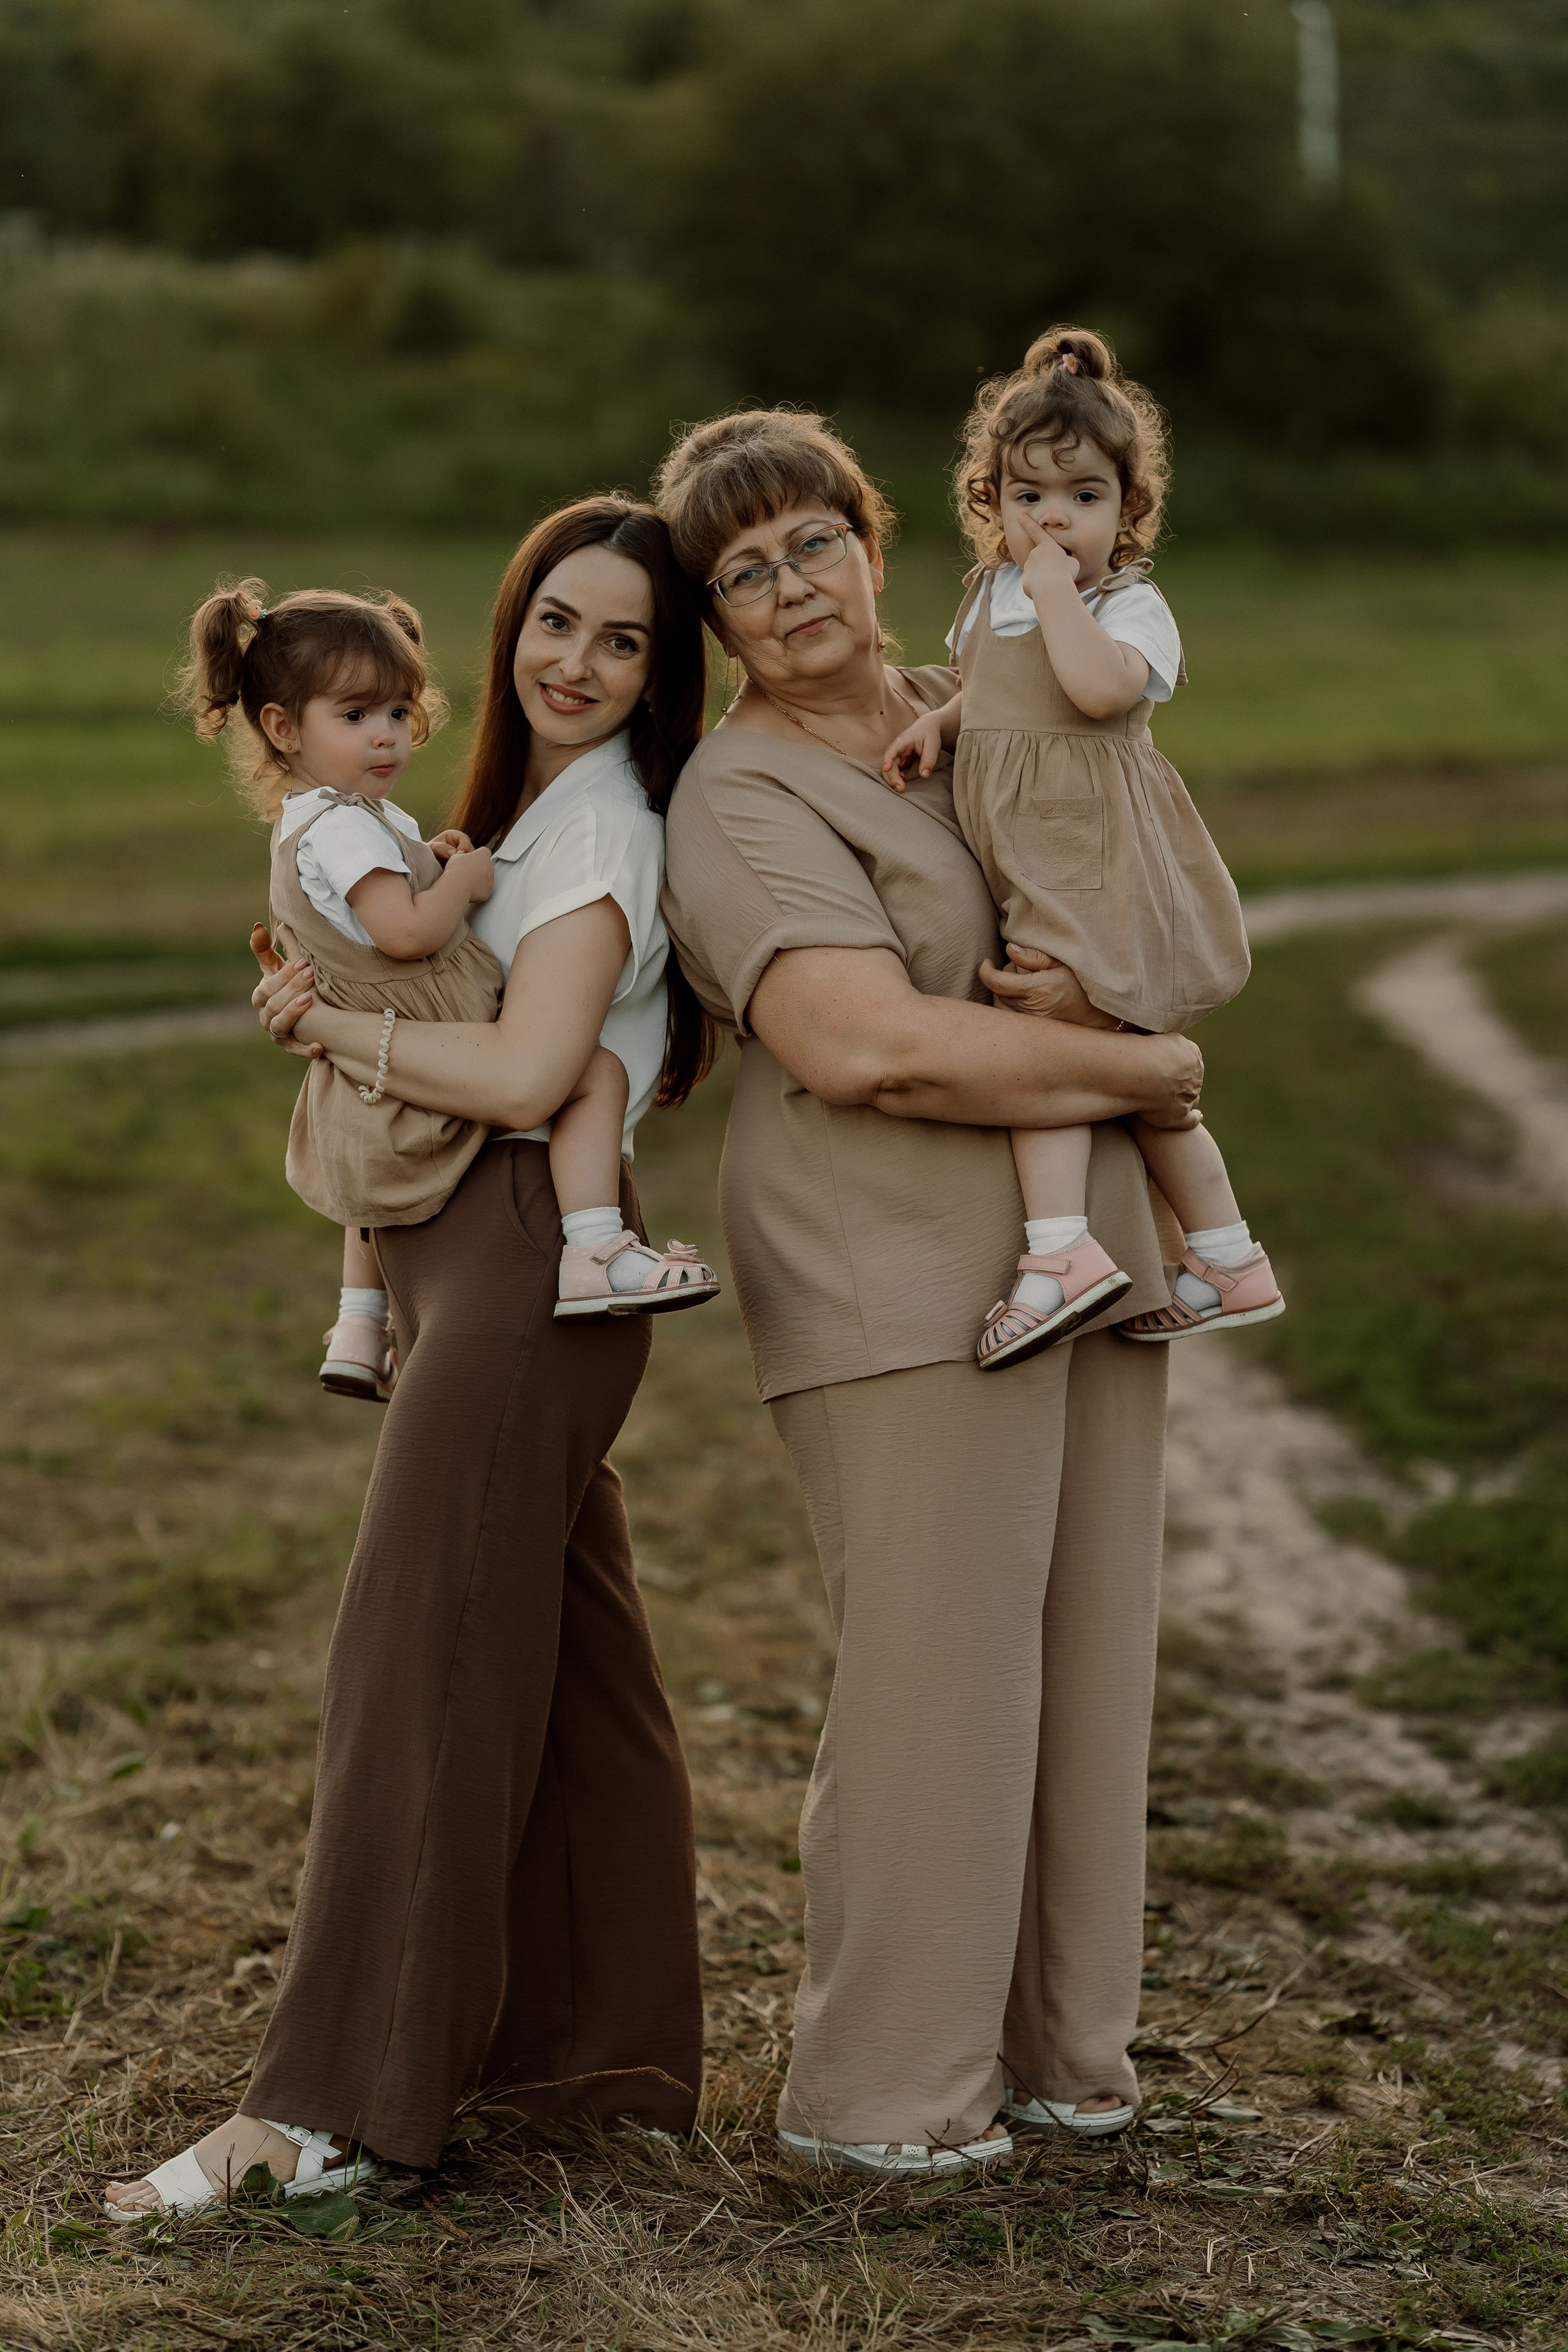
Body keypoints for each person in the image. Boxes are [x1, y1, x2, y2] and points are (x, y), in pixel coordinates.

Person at [105, 497, 716, 2219]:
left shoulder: (595, 831)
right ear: (510, 620)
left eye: (625, 641)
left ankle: (326, 2113)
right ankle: (603, 2065)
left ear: (664, 677)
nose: (576, 664)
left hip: (525, 1266)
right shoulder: (501, 813)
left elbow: (530, 1083)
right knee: (571, 1658)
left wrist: (340, 1032)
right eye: (555, 622)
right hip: (480, 1264)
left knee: (417, 1663)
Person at [655, 408, 1204, 2179]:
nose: (789, 585)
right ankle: (884, 2104)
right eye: (742, 573)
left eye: (810, 539)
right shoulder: (736, 795)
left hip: (1081, 1248)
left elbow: (1127, 872)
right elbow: (859, 1043)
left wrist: (1135, 1024)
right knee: (941, 1682)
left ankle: (1066, 2059)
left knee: (1088, 1657)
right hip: (890, 1258)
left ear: (876, 537)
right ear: (714, 621)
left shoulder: (983, 690)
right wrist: (1149, 1065)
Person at [179, 579, 712, 1408]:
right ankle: (595, 1246)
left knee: (370, 1157)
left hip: (375, 1041)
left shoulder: (333, 816)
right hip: (431, 1023)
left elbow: (370, 902)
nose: (387, 737)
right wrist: (460, 883)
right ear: (283, 728)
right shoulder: (347, 823)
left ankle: (359, 1323)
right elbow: (405, 934)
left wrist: (427, 856)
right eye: (354, 717)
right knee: (595, 1074)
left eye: (397, 712)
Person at [882, 325, 1283, 1368]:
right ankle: (1229, 1257)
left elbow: (1098, 691)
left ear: (1128, 509)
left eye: (1084, 497)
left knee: (1040, 1055)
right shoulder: (993, 597)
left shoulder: (1127, 605)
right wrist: (945, 721)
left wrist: (1060, 590)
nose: (1053, 519)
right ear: (993, 503)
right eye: (1027, 497)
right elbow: (1003, 691)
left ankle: (1061, 1251)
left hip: (1090, 861)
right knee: (1122, 1074)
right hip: (1029, 859)